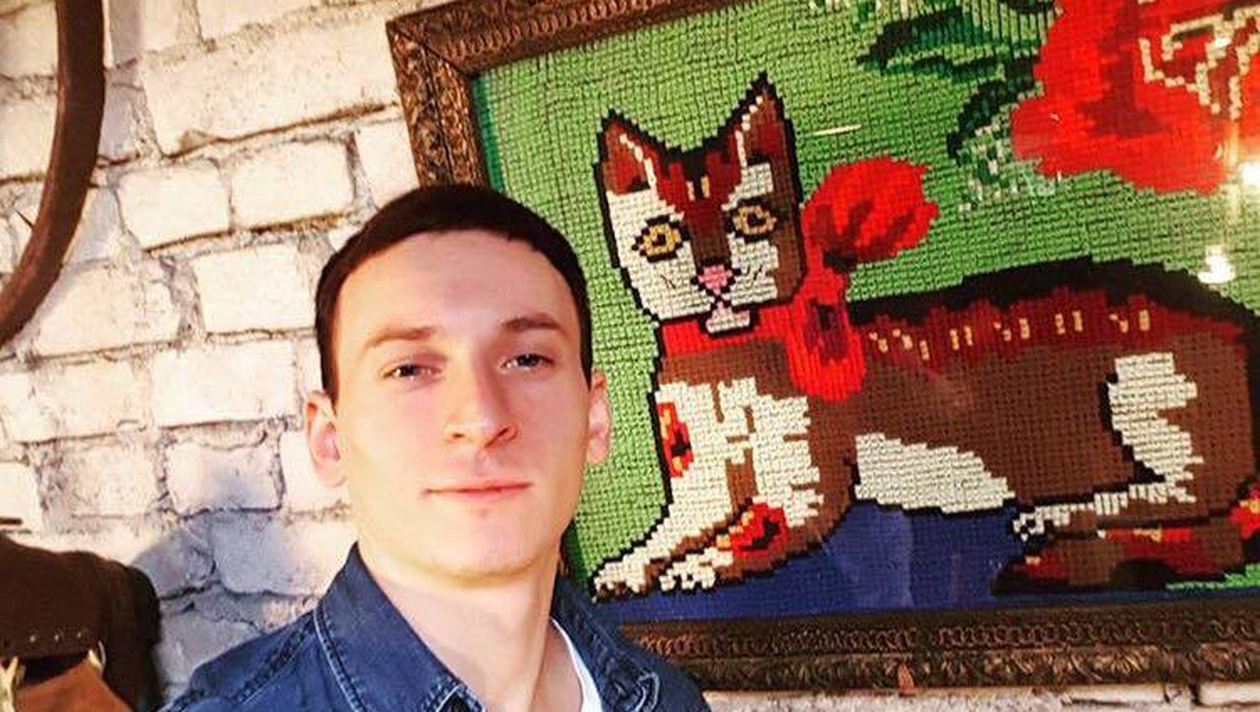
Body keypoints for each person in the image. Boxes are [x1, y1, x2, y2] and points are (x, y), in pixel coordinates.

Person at [161, 185, 711, 712]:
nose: (481, 419)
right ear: (330, 440)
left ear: (594, 419)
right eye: (410, 369)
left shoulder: (667, 700)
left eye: (527, 359)